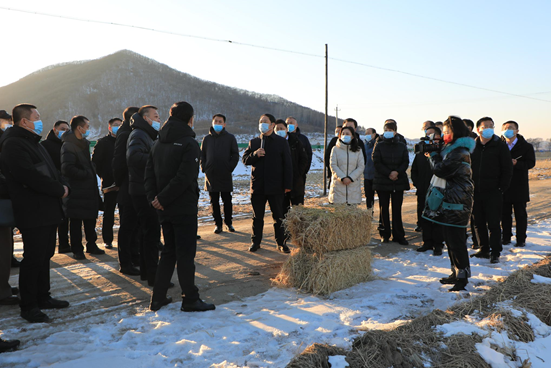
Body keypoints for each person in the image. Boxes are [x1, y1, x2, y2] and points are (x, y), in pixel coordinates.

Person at [0, 104, 70, 323]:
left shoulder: (33, 142)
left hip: (47, 208)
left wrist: (62, 184)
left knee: (45, 255)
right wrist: (59, 190)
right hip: (33, 210)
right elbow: (28, 176)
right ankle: (28, 305)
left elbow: (51, 170)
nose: (40, 121)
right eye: (36, 117)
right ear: (24, 121)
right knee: (33, 258)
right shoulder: (13, 144)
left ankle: (43, 296)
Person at [145, 101, 215, 312]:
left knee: (168, 252)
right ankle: (190, 299)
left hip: (163, 208)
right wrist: (162, 199)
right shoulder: (189, 143)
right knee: (185, 254)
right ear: (190, 119)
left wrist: (154, 199)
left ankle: (157, 298)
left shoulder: (157, 142)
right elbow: (184, 177)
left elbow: (148, 173)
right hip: (182, 207)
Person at [422, 116, 475, 291]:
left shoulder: (459, 151)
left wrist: (433, 156)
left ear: (455, 132)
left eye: (446, 132)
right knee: (450, 240)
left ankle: (463, 278)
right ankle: (455, 272)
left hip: (456, 201)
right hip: (450, 200)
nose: (444, 135)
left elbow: (440, 170)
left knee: (457, 241)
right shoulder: (452, 150)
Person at [243, 114, 293, 253]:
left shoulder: (281, 142)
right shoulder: (254, 142)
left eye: (265, 122)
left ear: (272, 125)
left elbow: (287, 165)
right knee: (257, 216)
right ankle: (256, 242)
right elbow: (245, 159)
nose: (262, 124)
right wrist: (255, 154)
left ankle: (281, 243)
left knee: (278, 216)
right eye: (260, 122)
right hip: (258, 186)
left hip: (276, 187)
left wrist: (287, 185)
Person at [470, 117, 513, 264]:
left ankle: (495, 251)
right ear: (478, 129)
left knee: (494, 223)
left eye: (491, 126)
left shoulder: (499, 146)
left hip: (493, 191)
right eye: (485, 126)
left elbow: (507, 169)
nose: (489, 128)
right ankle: (484, 249)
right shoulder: (473, 146)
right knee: (478, 222)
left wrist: (501, 187)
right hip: (475, 191)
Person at [61, 115, 103, 260]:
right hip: (77, 190)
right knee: (76, 222)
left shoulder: (83, 143)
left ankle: (92, 245)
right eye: (86, 126)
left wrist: (92, 170)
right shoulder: (68, 145)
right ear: (79, 128)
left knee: (90, 219)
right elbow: (67, 168)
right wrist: (86, 173)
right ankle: (77, 249)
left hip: (88, 189)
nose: (88, 129)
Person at [127, 106, 161, 286]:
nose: (158, 120)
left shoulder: (145, 134)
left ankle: (148, 273)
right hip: (142, 191)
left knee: (146, 234)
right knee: (151, 235)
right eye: (155, 117)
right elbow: (133, 157)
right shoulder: (138, 134)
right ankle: (154, 277)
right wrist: (157, 159)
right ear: (146, 118)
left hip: (142, 189)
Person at [112, 106, 141, 276]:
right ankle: (125, 262)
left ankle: (134, 256)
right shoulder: (125, 135)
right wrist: (121, 182)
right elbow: (119, 163)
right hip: (127, 186)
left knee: (134, 225)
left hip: (131, 185)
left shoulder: (129, 133)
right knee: (127, 227)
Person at [372, 120, 410, 245]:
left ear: (395, 132)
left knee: (397, 209)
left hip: (398, 181)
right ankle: (385, 234)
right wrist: (388, 173)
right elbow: (376, 161)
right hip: (383, 180)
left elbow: (405, 161)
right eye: (386, 130)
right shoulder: (379, 144)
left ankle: (399, 235)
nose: (388, 132)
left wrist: (397, 172)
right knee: (384, 209)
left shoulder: (402, 145)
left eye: (391, 130)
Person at [200, 114, 239, 234]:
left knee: (227, 200)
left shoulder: (230, 138)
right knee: (214, 201)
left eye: (220, 121)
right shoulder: (206, 139)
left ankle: (229, 223)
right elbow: (202, 155)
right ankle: (218, 224)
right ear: (212, 123)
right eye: (215, 121)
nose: (217, 123)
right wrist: (204, 168)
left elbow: (235, 155)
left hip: (225, 174)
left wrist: (229, 167)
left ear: (224, 124)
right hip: (211, 175)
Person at [500, 121, 536, 248]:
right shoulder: (499, 145)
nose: (507, 130)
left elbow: (531, 163)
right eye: (505, 128)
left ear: (517, 131)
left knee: (520, 214)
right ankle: (505, 237)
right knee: (504, 213)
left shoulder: (526, 146)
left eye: (510, 128)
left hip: (519, 184)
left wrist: (517, 164)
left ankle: (521, 238)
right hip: (504, 184)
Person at [412, 125, 444, 255]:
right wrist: (418, 185)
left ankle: (438, 244)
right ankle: (427, 242)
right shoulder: (421, 152)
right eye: (428, 135)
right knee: (424, 217)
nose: (430, 138)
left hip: (438, 190)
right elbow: (414, 170)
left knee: (437, 217)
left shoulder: (443, 152)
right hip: (423, 189)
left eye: (433, 135)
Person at [41, 120, 71, 253]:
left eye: (67, 129)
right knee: (55, 216)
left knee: (65, 216)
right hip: (52, 184)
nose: (65, 131)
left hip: (66, 184)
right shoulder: (45, 145)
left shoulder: (68, 144)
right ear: (54, 129)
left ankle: (64, 244)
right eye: (62, 128)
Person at [92, 118, 122, 249]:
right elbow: (96, 162)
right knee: (109, 212)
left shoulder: (125, 141)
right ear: (109, 128)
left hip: (124, 183)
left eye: (120, 125)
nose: (118, 127)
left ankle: (125, 239)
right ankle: (108, 239)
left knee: (125, 212)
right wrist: (104, 175)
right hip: (109, 184)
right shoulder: (103, 143)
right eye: (115, 125)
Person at [274, 120, 308, 213]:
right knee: (282, 212)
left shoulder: (296, 141)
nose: (279, 130)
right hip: (279, 184)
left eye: (282, 128)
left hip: (296, 182)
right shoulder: (273, 143)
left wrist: (298, 173)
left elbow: (304, 159)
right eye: (277, 129)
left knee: (298, 211)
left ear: (286, 129)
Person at [329, 126, 365, 204]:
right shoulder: (335, 149)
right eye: (343, 133)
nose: (345, 135)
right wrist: (342, 178)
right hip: (338, 187)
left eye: (347, 133)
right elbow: (333, 165)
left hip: (353, 187)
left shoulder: (358, 150)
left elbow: (361, 166)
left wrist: (350, 178)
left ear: (352, 136)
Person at [413, 120, 436, 232]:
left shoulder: (440, 149)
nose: (428, 134)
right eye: (426, 130)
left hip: (436, 186)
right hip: (422, 184)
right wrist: (417, 182)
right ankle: (421, 224)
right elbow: (414, 168)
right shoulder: (421, 148)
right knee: (421, 206)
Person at [286, 116, 313, 186]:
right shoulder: (283, 138)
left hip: (299, 175)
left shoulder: (303, 139)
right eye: (287, 123)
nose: (289, 125)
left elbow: (308, 155)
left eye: (291, 123)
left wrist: (303, 171)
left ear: (296, 125)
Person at [363, 128, 378, 209]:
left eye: (369, 133)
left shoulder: (378, 145)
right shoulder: (364, 146)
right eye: (366, 133)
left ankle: (381, 218)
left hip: (376, 176)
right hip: (367, 175)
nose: (367, 135)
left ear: (374, 134)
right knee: (369, 197)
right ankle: (369, 214)